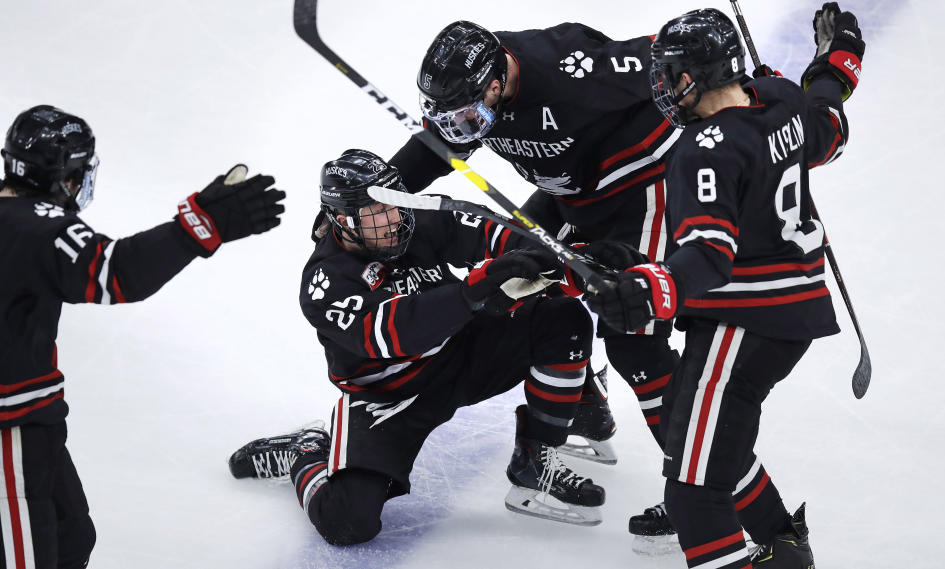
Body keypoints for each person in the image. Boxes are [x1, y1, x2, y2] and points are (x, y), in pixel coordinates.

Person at [229, 149, 625, 544]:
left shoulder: (414, 221)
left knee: (562, 317)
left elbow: (497, 235)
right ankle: (306, 452)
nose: (393, 224)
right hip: (388, 396)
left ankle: (537, 459)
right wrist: (476, 290)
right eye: (375, 216)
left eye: (394, 207)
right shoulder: (326, 281)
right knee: (347, 521)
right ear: (341, 220)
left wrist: (571, 262)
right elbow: (395, 332)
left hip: (462, 352)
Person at [587, 4, 864, 566]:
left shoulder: (702, 151)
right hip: (792, 311)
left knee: (692, 487)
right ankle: (786, 549)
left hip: (746, 321)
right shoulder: (778, 98)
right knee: (715, 451)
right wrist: (841, 57)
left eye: (673, 73)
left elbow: (710, 256)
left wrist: (651, 291)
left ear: (704, 73)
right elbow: (830, 125)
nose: (663, 85)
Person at [0, 104, 285, 568]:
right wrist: (198, 226)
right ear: (67, 176)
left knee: (72, 537)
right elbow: (117, 274)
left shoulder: (16, 217)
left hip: (33, 419)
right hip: (8, 432)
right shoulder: (41, 228)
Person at [389, 19, 684, 467]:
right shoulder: (475, 92)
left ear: (496, 81)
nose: (462, 127)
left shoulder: (571, 67)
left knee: (634, 336)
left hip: (641, 188)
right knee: (516, 282)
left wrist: (754, 104)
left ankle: (700, 482)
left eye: (467, 113)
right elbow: (438, 146)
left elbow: (678, 58)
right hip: (569, 196)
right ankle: (585, 410)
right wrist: (377, 194)